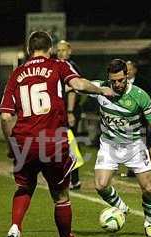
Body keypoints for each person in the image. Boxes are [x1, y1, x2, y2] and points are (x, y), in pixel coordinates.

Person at [0, 31, 114, 237]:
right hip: (52, 141)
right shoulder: (58, 66)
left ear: (29, 49)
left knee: (24, 187)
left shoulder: (17, 74)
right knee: (61, 195)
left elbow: (5, 117)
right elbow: (79, 84)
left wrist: (13, 144)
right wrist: (102, 90)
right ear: (49, 49)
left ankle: (15, 226)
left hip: (24, 141)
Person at [90, 59, 151, 237]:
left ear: (127, 76)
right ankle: (121, 207)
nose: (117, 84)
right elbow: (77, 83)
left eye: (120, 80)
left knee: (148, 189)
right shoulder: (100, 89)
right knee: (100, 185)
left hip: (134, 146)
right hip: (109, 145)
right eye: (113, 81)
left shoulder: (139, 95)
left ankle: (149, 224)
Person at [56, 40, 84, 190]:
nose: (60, 53)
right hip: (62, 112)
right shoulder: (58, 65)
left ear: (69, 51)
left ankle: (74, 179)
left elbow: (72, 91)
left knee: (70, 145)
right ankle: (70, 178)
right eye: (58, 50)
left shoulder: (70, 66)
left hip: (68, 112)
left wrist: (70, 112)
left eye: (63, 50)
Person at [124, 60, 151, 178]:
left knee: (141, 144)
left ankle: (145, 168)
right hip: (124, 120)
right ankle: (131, 169)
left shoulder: (143, 83)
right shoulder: (119, 82)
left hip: (139, 120)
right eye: (126, 69)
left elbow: (148, 100)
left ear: (135, 70)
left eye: (130, 68)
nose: (127, 71)